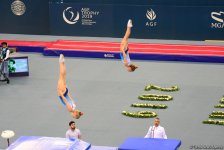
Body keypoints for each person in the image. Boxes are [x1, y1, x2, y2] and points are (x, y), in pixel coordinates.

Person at [57, 54, 83, 119]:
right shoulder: (71, 110)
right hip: (62, 93)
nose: (72, 117)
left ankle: (63, 62)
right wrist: (61, 94)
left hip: (66, 91)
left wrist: (67, 90)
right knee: (61, 76)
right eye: (74, 117)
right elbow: (65, 100)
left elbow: (70, 97)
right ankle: (60, 62)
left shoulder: (74, 106)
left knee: (64, 76)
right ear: (75, 115)